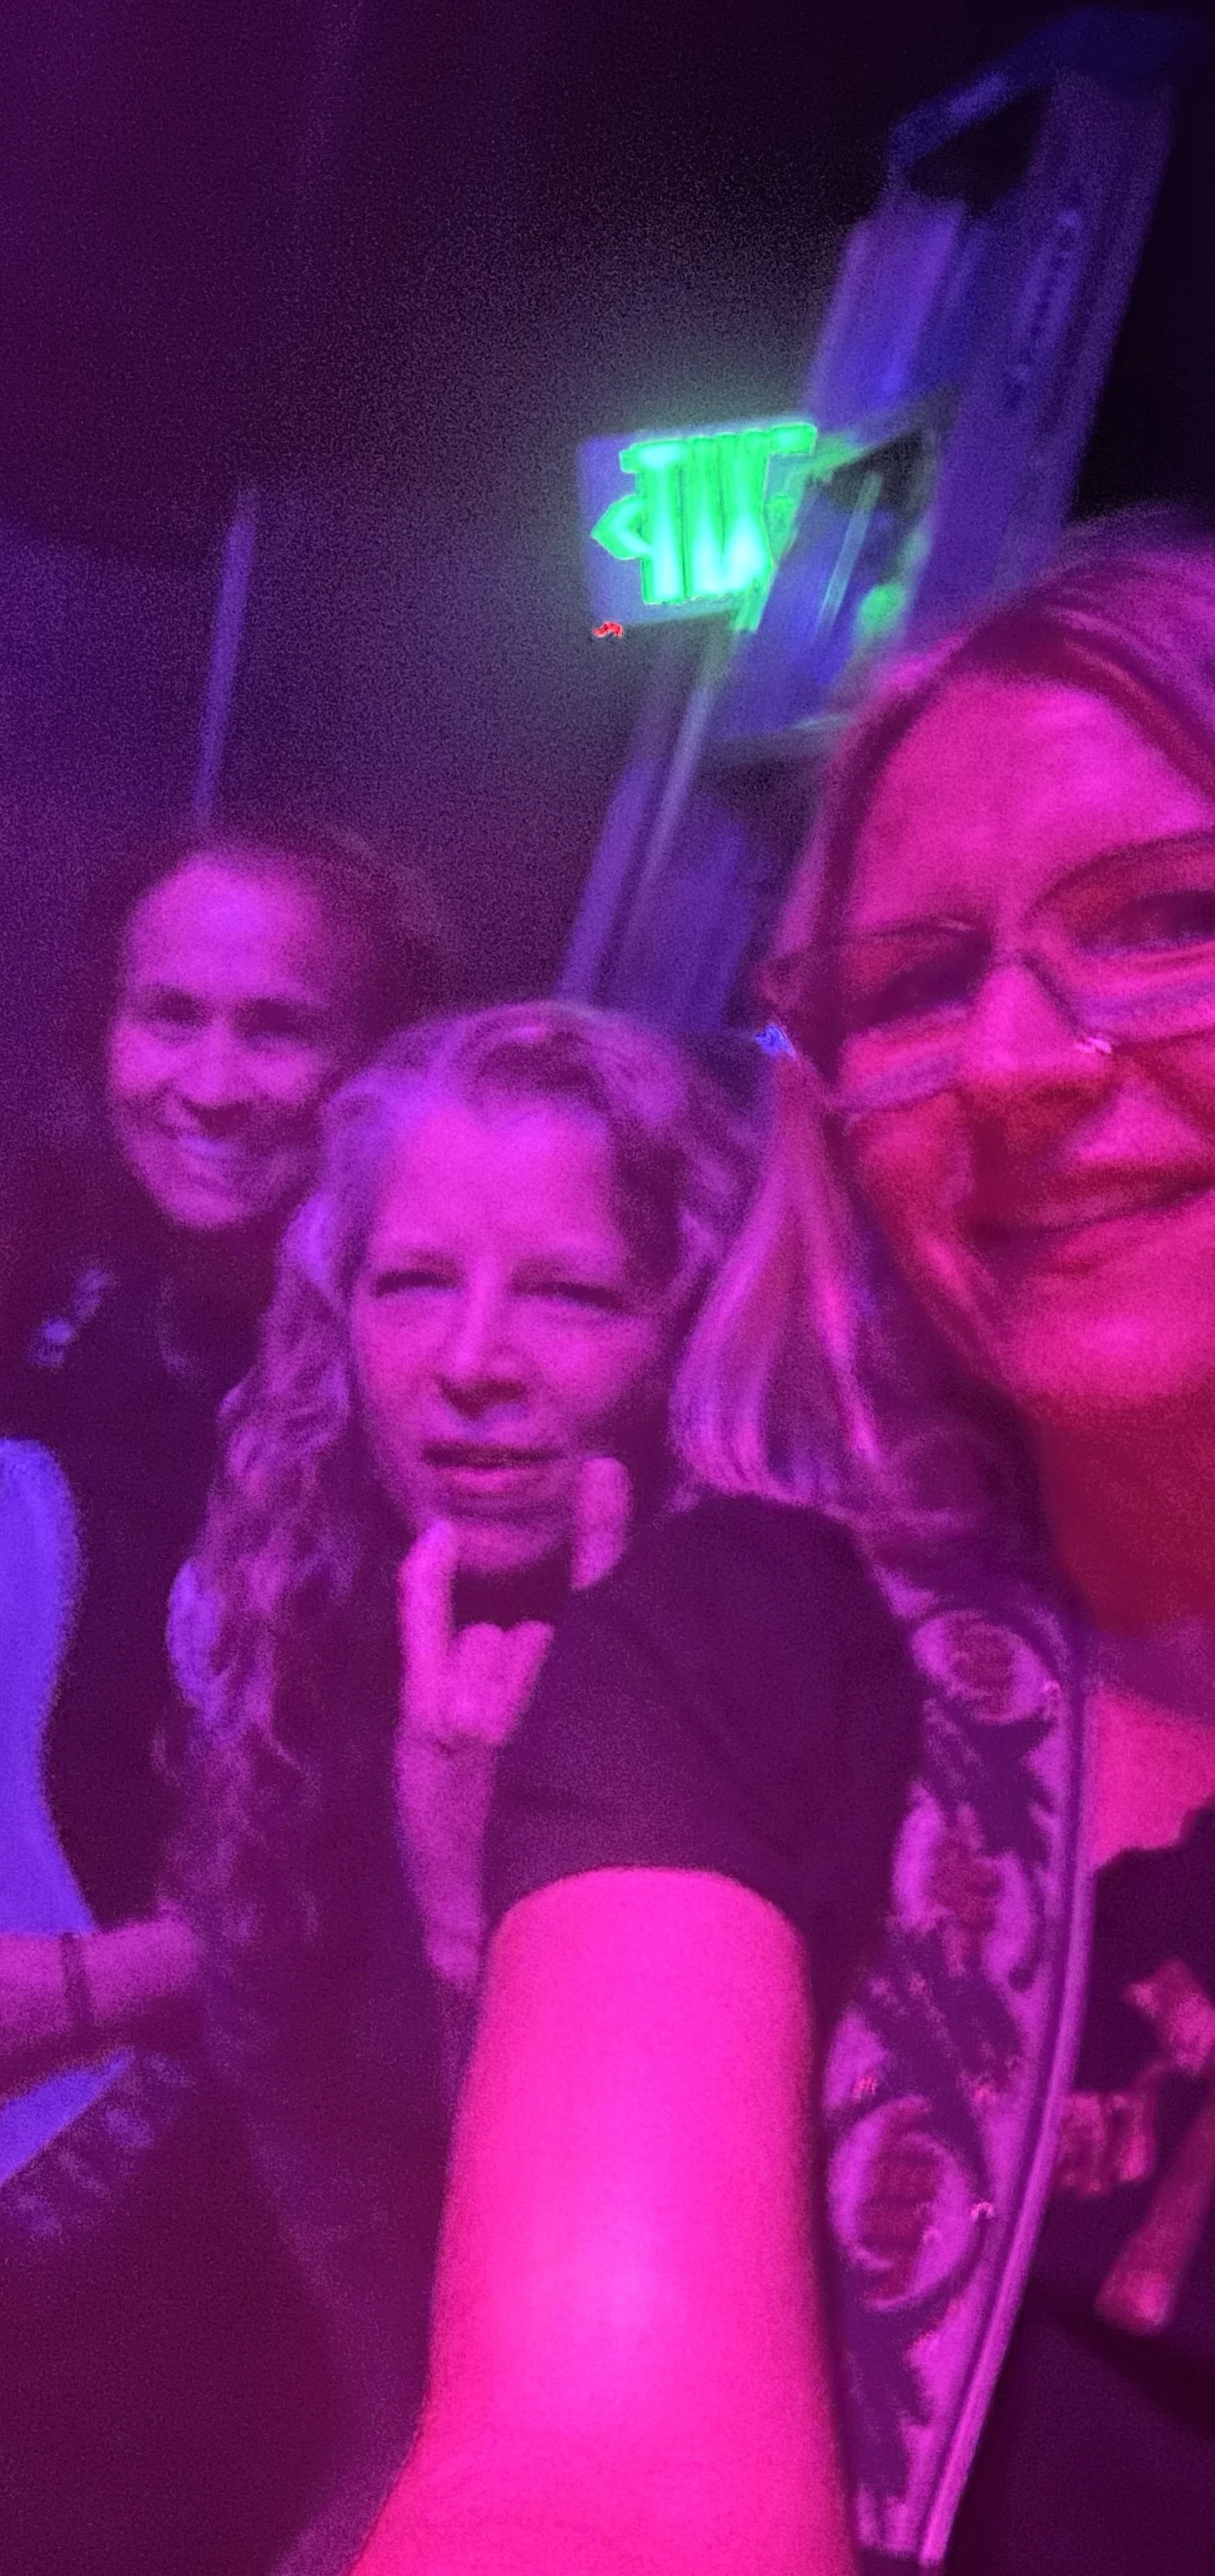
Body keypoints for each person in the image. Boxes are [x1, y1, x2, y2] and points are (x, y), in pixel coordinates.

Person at [350, 515, 1215, 2576]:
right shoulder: (746, 1655)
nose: (1012, 1062)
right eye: (911, 983)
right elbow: (590, 2465)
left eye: (1173, 910)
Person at [0, 823, 452, 2573]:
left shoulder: (431, 1354)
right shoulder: (52, 1263)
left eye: (279, 1027)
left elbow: (438, 1834)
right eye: (168, 1015)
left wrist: (87, 1985)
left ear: (378, 1063)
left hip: (246, 2156)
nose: (208, 1083)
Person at [173, 1000, 751, 2573]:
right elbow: (316, 2152)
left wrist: (473, 1913)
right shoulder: (318, 1622)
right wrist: (368, 2473)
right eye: (412, 1283)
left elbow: (644, 2340)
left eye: (571, 1294)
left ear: (690, 1332)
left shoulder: (771, 1689)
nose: (472, 1364)